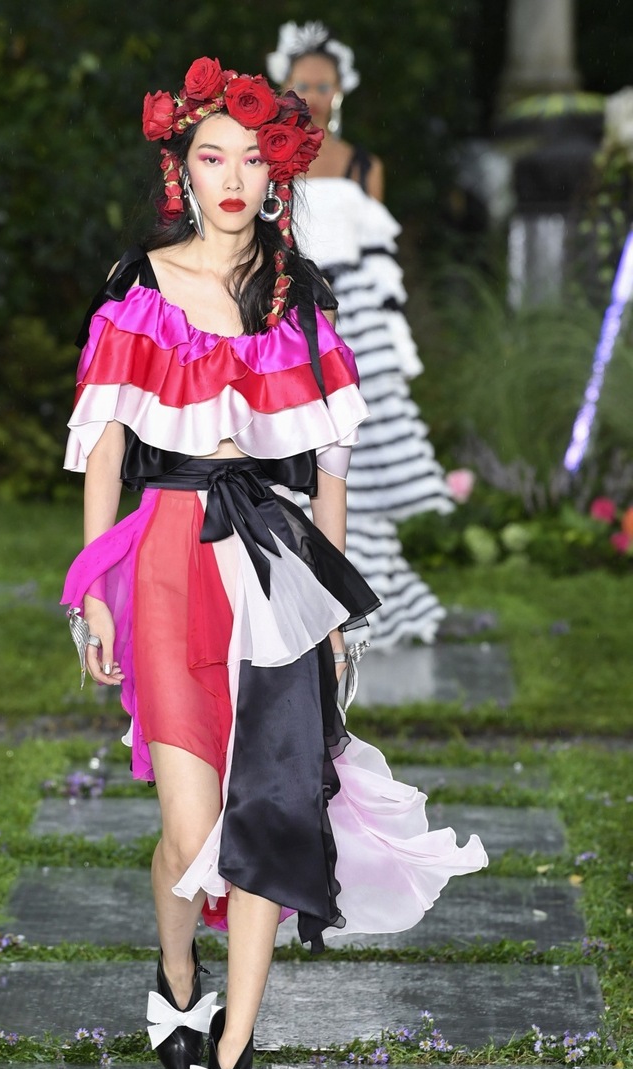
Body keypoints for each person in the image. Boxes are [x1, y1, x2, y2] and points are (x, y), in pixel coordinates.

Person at [60, 58, 487, 1069]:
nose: (233, 177)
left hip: (272, 568)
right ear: (182, 171)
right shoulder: (140, 290)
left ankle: (234, 1057)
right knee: (187, 829)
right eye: (213, 157)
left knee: (271, 805)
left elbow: (329, 470)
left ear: (278, 171)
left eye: (253, 158)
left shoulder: (300, 302)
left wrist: (334, 612)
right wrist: (91, 592)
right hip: (165, 562)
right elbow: (104, 448)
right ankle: (175, 980)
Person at [267, 22, 455, 650]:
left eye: (323, 86)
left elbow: (379, 261)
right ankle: (294, 594)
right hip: (287, 318)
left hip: (357, 325)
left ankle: (367, 600)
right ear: (283, 86)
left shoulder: (363, 165)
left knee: (358, 458)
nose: (313, 96)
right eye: (302, 84)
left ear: (340, 90)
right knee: (290, 450)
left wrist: (391, 345)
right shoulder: (264, 161)